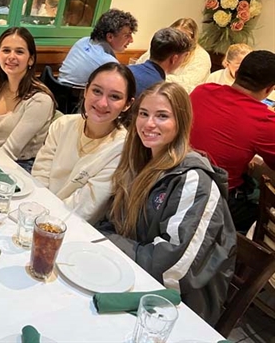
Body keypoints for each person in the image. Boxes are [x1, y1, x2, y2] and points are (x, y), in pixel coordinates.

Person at [100, 82, 236, 325]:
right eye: (143, 114)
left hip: (178, 307)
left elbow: (173, 267)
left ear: (181, 122)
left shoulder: (194, 180)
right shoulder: (139, 162)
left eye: (162, 116)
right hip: (134, 274)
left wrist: (108, 243)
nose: (149, 124)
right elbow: (114, 220)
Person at [32, 63, 134, 223]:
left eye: (115, 96)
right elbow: (40, 175)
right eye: (97, 91)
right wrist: (37, 211)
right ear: (86, 90)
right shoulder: (63, 124)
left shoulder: (122, 149)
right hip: (38, 211)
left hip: (73, 226)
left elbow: (85, 207)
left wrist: (44, 219)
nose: (102, 103)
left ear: (127, 104)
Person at [190, 50, 275, 232]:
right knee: (261, 205)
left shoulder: (201, 91)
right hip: (218, 199)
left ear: (235, 74)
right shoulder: (263, 121)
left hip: (178, 180)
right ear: (269, 89)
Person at [0, 28, 55, 172]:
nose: (11, 57)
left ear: (31, 59)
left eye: (19, 52)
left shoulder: (40, 100)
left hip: (20, 166)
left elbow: (11, 150)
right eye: (6, 50)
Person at [58, 9, 138, 87]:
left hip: (57, 90)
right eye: (127, 35)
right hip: (76, 98)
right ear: (110, 37)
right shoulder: (108, 62)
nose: (131, 40)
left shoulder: (83, 41)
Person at [137, 18, 211, 93]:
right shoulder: (164, 44)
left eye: (183, 37)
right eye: (175, 35)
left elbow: (188, 85)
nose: (177, 40)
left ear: (192, 39)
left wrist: (154, 77)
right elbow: (141, 64)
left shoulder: (201, 57)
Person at [128, 28, 192, 98]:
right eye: (185, 56)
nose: (184, 60)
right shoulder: (157, 90)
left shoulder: (125, 70)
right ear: (174, 59)